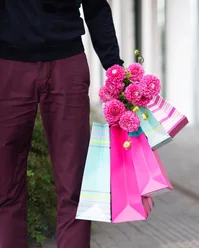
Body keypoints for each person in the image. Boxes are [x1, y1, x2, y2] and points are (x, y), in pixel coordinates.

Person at [0, 0, 122, 247]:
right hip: (8, 63)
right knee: (5, 185)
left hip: (67, 63)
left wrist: (115, 70)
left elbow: (95, 5)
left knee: (74, 185)